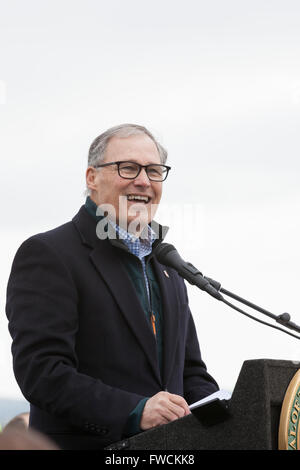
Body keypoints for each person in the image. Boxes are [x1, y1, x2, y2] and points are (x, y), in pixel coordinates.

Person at [6, 124, 218, 450]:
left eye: (154, 170)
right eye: (128, 168)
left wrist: (222, 411)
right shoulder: (50, 254)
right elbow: (43, 373)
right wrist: (135, 411)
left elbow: (190, 373)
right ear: (92, 177)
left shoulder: (169, 266)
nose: (144, 181)